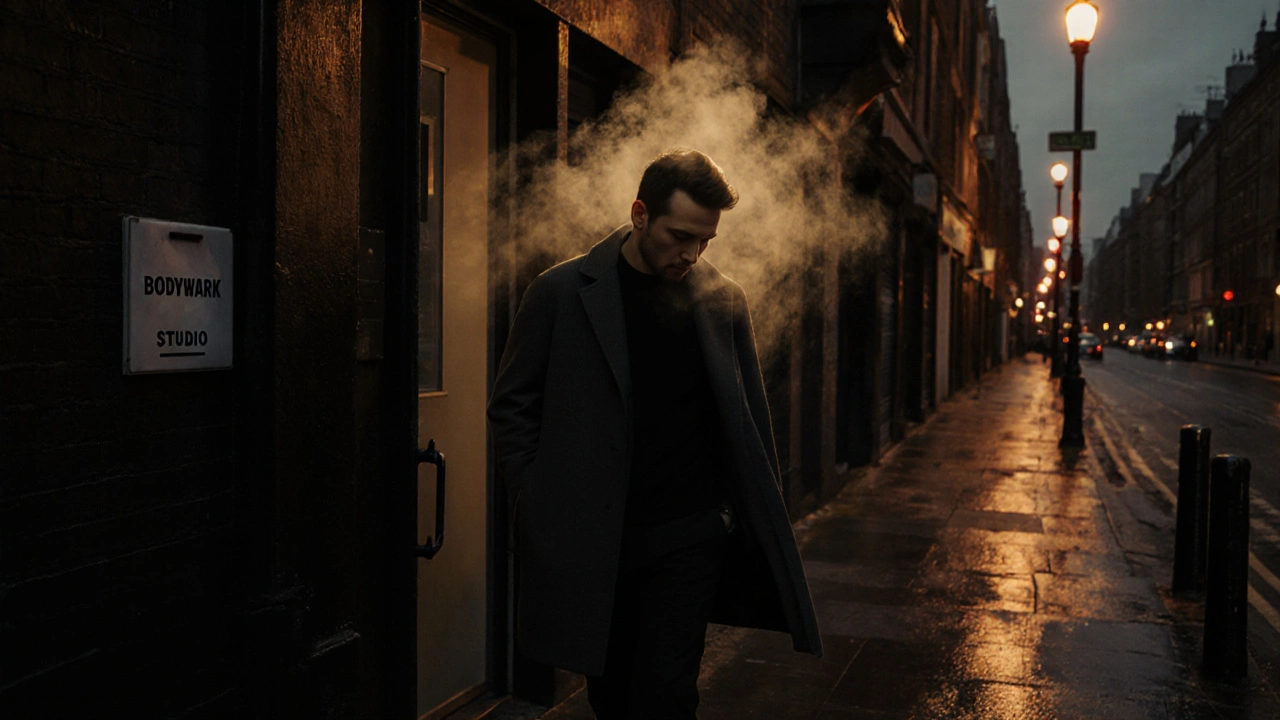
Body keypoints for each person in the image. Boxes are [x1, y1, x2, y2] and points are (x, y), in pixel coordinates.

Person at [487, 149, 822, 719]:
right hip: (596, 541)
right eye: (680, 235)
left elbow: (748, 419)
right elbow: (513, 406)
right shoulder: (560, 293)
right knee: (612, 696)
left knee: (668, 695)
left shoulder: (723, 303)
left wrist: (736, 517)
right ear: (640, 214)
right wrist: (535, 500)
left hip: (688, 539)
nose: (691, 253)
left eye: (706, 241)